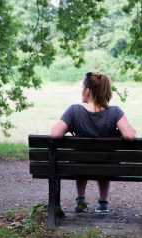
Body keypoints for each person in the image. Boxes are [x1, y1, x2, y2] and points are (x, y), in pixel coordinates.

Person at [50, 72, 136, 214]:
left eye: (83, 88)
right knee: (104, 161)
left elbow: (55, 134)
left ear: (88, 91)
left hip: (79, 166)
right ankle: (103, 203)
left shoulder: (74, 111)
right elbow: (130, 135)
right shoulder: (115, 112)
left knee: (80, 158)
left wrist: (70, 128)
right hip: (107, 167)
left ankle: (81, 201)